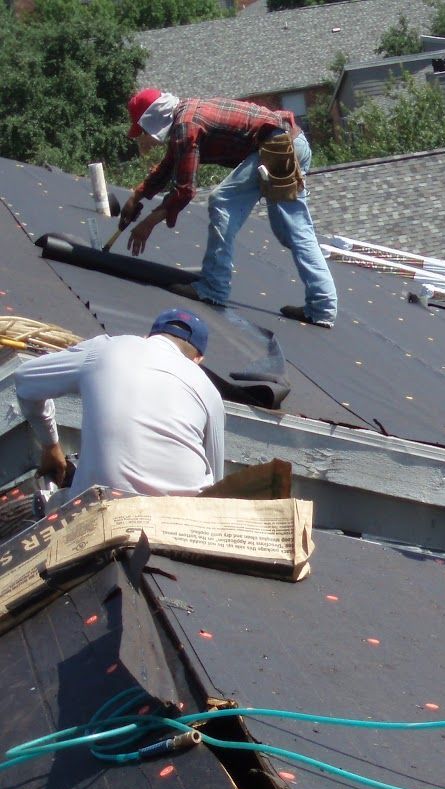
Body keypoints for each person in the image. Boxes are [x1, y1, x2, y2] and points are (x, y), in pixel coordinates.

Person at [119, 89, 337, 328]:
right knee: (295, 231)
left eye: (143, 131)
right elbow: (170, 164)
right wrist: (137, 196)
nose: (146, 138)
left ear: (153, 118)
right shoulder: (186, 115)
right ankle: (323, 307)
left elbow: (184, 190)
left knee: (221, 201)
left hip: (277, 145)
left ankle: (214, 288)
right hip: (293, 142)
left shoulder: (186, 124)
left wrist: (148, 224)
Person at [15, 309, 225, 500]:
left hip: (103, 501)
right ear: (198, 359)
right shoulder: (210, 391)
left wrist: (50, 445)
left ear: (147, 337)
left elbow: (25, 378)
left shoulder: (107, 347)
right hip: (178, 516)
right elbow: (218, 486)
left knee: (51, 503)